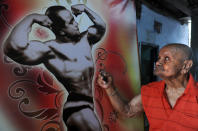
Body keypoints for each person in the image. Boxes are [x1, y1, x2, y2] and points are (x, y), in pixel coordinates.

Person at [4, 4, 106, 131]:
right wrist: (31, 18)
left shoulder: (85, 40)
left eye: (73, 19)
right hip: (78, 108)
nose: (76, 24)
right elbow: (13, 47)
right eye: (70, 22)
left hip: (87, 107)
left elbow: (101, 27)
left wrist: (85, 10)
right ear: (62, 31)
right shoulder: (50, 50)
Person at [97, 43, 198, 131]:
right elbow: (127, 111)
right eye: (159, 58)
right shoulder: (150, 91)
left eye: (167, 59)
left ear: (186, 66)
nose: (158, 62)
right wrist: (109, 87)